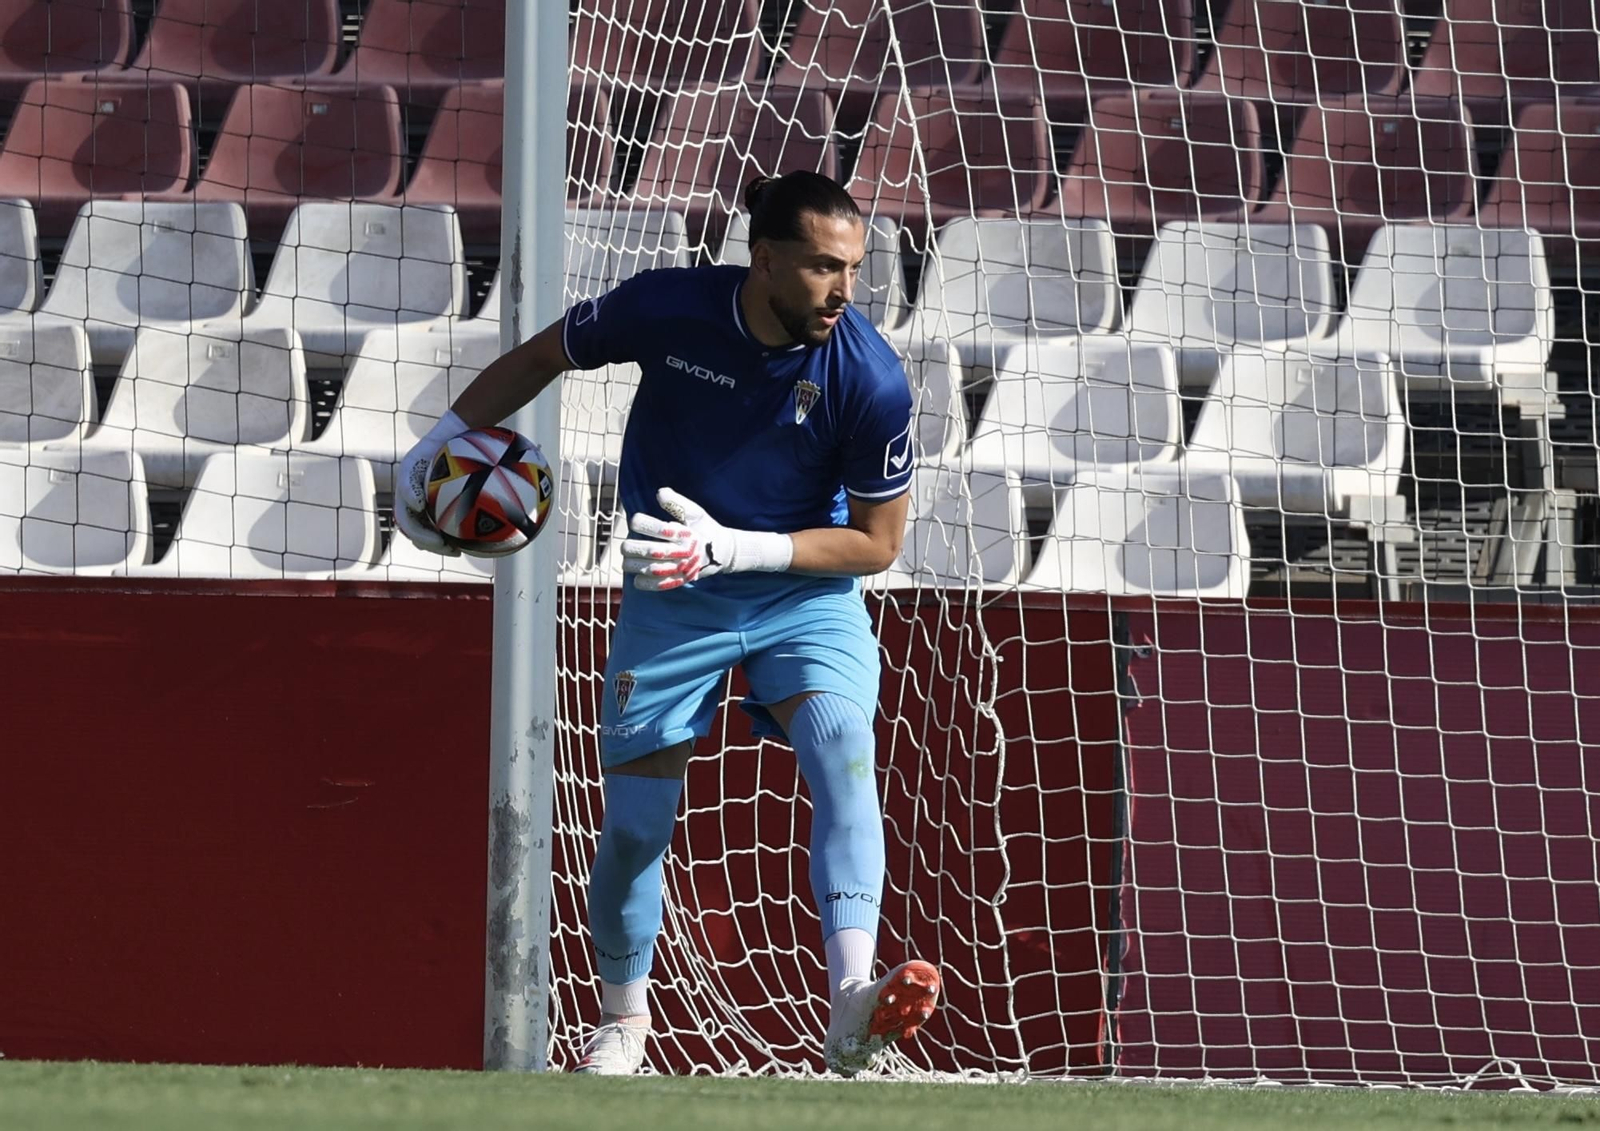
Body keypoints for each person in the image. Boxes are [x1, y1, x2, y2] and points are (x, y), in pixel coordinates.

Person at [394, 171, 940, 1077]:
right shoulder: (666, 307)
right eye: (819, 267)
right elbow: (540, 357)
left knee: (844, 745)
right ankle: (622, 1023)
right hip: (671, 592)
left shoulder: (871, 378)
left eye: (852, 267)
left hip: (797, 590)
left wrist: (744, 548)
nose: (843, 289)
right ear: (763, 260)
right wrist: (432, 444)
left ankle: (851, 1005)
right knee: (639, 825)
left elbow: (877, 544)